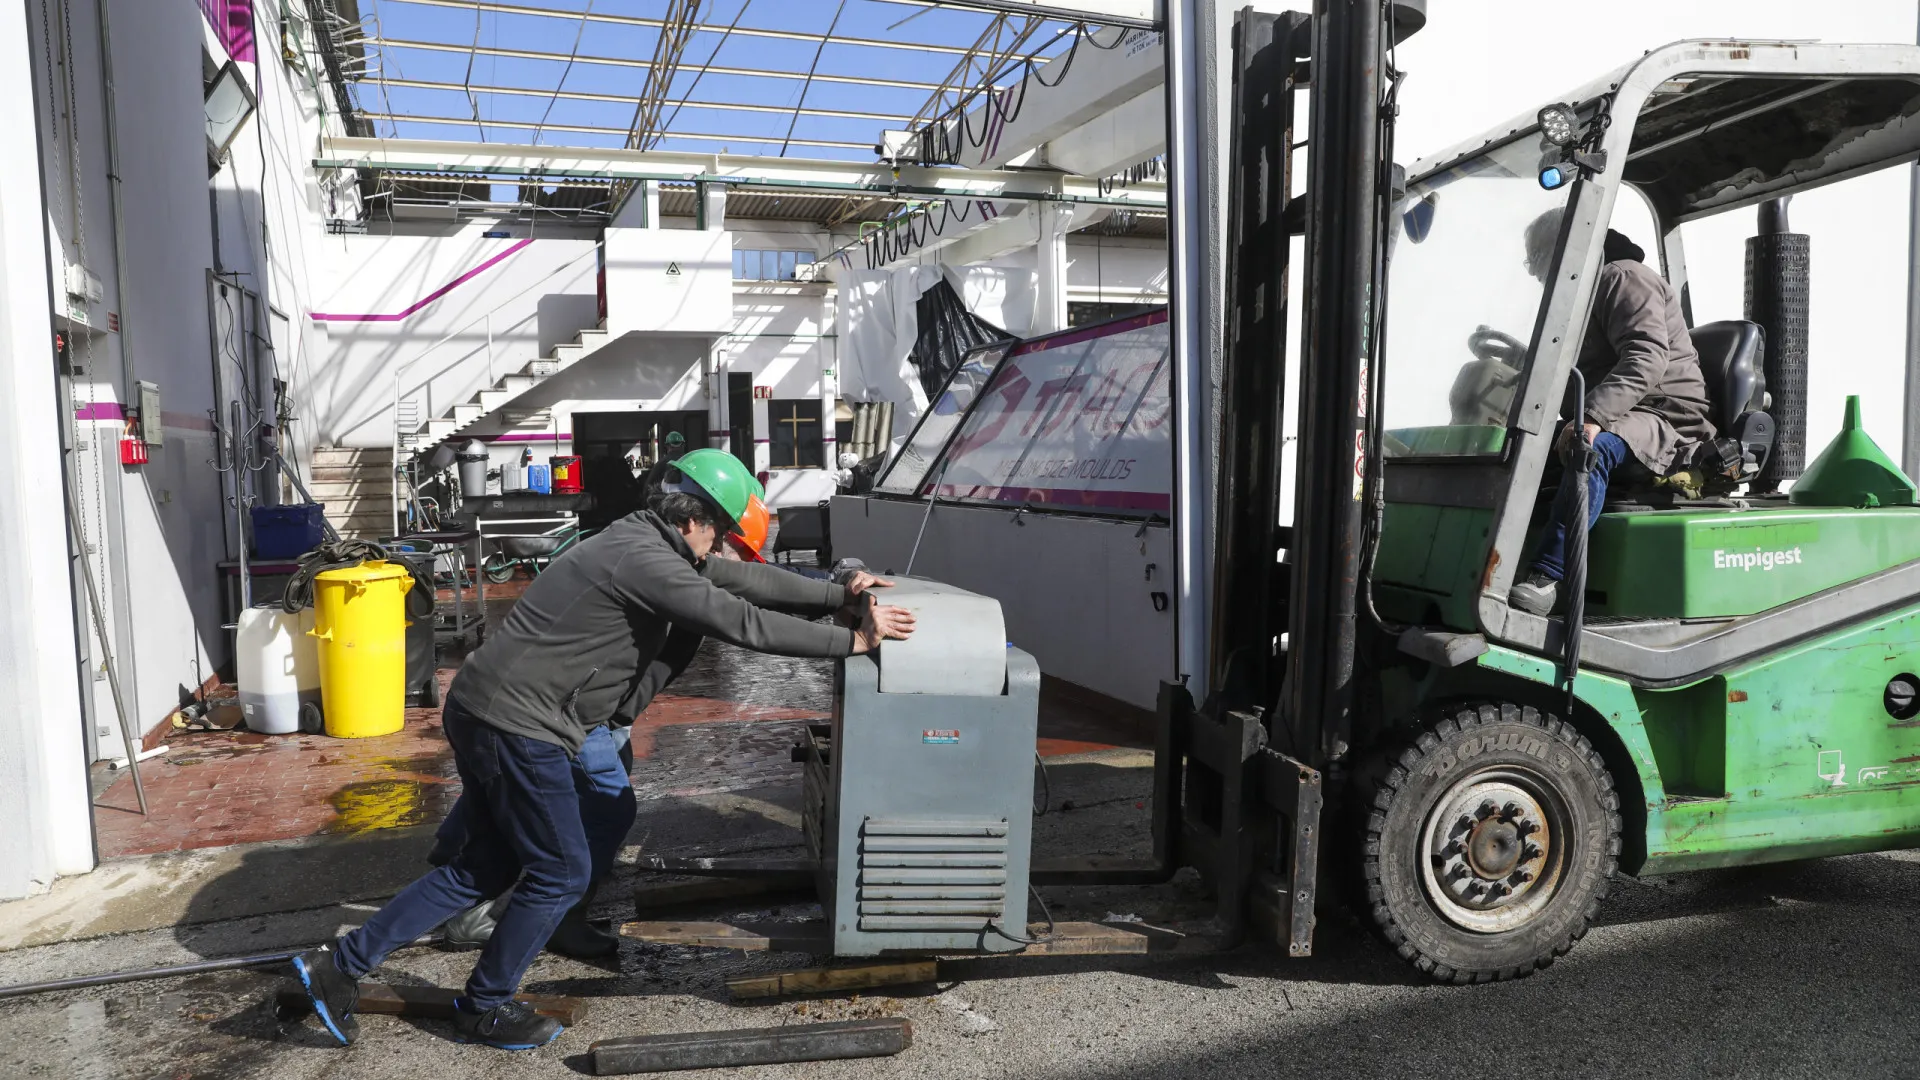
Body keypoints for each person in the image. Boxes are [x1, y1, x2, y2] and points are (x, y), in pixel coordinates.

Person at [291, 449, 915, 1052]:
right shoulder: (648, 562)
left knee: (481, 868)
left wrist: (840, 594)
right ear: (693, 520)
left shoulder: (639, 540)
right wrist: (852, 642)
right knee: (562, 870)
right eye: (717, 535)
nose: (718, 549)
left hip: (486, 709)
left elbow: (746, 578)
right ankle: (482, 1007)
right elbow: (738, 619)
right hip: (520, 726)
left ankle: (335, 969)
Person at [1507, 212, 1716, 616]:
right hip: (1619, 409)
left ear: (1566, 249)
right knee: (1518, 442)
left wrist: (1593, 417)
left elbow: (1646, 356)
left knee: (1591, 448)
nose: (1534, 273)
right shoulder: (1577, 298)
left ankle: (1547, 576)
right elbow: (1571, 369)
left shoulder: (1622, 278)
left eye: (1535, 258)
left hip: (1663, 415)